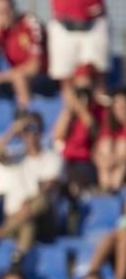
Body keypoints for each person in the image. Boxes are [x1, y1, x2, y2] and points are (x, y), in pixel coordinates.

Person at [0, 112, 63, 255]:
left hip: (44, 218)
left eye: (34, 129)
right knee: (28, 225)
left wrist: (27, 205)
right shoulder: (17, 155)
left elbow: (49, 187)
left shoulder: (52, 157)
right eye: (26, 130)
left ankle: (3, 231)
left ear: (41, 132)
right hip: (19, 218)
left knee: (42, 201)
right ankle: (19, 261)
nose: (31, 134)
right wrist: (12, 131)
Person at [0, 0, 54, 109]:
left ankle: (26, 116)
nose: (3, 15)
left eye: (5, 10)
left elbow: (35, 67)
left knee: (18, 77)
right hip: (13, 75)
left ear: (13, 8)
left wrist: (2, 76)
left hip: (41, 77)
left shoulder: (29, 23)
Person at [40, 0, 109, 99]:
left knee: (97, 75)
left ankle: (101, 113)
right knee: (65, 78)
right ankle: (76, 114)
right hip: (63, 24)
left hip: (93, 21)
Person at [53, 64, 104, 196]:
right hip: (67, 160)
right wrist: (70, 109)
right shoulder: (70, 110)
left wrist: (82, 109)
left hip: (86, 161)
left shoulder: (99, 110)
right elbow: (58, 135)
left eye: (86, 88)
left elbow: (96, 133)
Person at [95, 87, 126, 193]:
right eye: (117, 106)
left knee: (122, 145)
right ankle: (106, 189)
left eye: (123, 105)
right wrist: (102, 161)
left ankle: (115, 190)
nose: (121, 109)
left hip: (121, 168)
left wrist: (115, 160)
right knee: (106, 145)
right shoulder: (109, 125)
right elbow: (96, 151)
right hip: (109, 169)